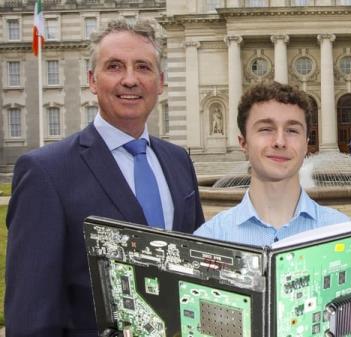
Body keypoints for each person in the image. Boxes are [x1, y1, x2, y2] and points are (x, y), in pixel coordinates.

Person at [4, 18, 204, 337]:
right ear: (92, 81)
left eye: (143, 67)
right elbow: (30, 312)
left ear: (161, 81)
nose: (129, 80)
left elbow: (196, 274)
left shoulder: (178, 161)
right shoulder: (46, 172)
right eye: (114, 66)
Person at [195, 82, 349, 245]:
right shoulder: (207, 239)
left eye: (292, 130)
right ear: (243, 143)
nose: (280, 142)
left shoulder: (345, 233)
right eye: (266, 129)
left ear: (306, 144)